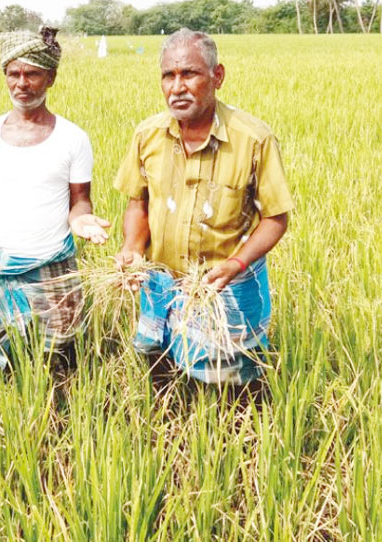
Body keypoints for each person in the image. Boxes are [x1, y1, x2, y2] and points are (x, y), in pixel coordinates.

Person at [114, 28, 294, 388]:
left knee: (228, 385)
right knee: (161, 368)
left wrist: (235, 264)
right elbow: (139, 203)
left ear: (217, 76)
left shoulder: (253, 138)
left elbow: (275, 218)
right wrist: (132, 249)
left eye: (189, 73)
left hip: (224, 287)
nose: (177, 87)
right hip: (161, 284)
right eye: (168, 75)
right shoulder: (147, 135)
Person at [0, 27, 110, 373]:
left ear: (50, 78)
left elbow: (80, 201)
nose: (21, 83)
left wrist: (82, 220)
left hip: (51, 263)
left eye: (32, 74)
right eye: (14, 73)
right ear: (6, 76)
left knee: (56, 356)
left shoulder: (73, 138)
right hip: (0, 263)